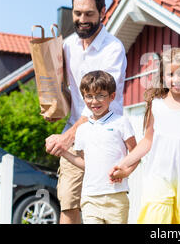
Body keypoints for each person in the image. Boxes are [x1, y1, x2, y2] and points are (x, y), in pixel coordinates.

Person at [109, 47, 180, 224]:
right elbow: (147, 141)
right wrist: (122, 163)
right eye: (171, 75)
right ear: (163, 76)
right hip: (159, 177)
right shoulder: (156, 105)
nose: (176, 80)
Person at [44, 0, 127, 224]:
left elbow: (98, 103)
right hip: (75, 137)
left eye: (89, 14)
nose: (82, 19)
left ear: (103, 13)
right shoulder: (68, 45)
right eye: (77, 13)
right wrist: (54, 108)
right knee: (68, 205)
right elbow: (69, 93)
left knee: (101, 209)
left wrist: (65, 137)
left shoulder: (113, 49)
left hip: (106, 138)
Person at [59, 70, 138, 224]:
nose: (94, 101)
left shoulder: (121, 123)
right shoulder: (82, 130)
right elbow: (85, 164)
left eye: (100, 95)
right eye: (89, 96)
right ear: (84, 97)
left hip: (116, 197)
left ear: (112, 96)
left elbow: (135, 154)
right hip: (90, 197)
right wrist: (64, 152)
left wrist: (125, 172)